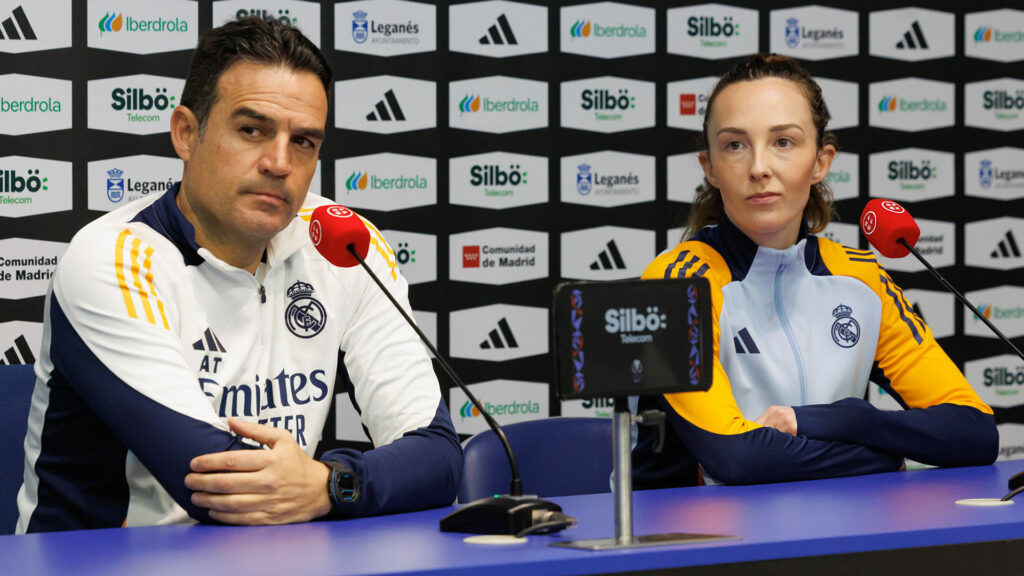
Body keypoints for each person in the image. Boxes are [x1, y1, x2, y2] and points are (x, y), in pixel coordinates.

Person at [17, 17, 462, 533]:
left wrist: (331, 484)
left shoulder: (342, 243)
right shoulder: (111, 260)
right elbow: (217, 488)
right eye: (252, 130)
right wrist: (343, 485)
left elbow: (439, 458)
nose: (279, 163)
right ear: (186, 133)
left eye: (304, 142)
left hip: (276, 556)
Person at [633, 54, 998, 488]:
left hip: (840, 535)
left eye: (783, 142)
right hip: (698, 544)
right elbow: (736, 461)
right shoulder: (678, 284)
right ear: (709, 167)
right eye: (735, 144)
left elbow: (975, 433)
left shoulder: (861, 279)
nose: (759, 167)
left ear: (822, 161)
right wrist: (883, 457)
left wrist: (849, 420)